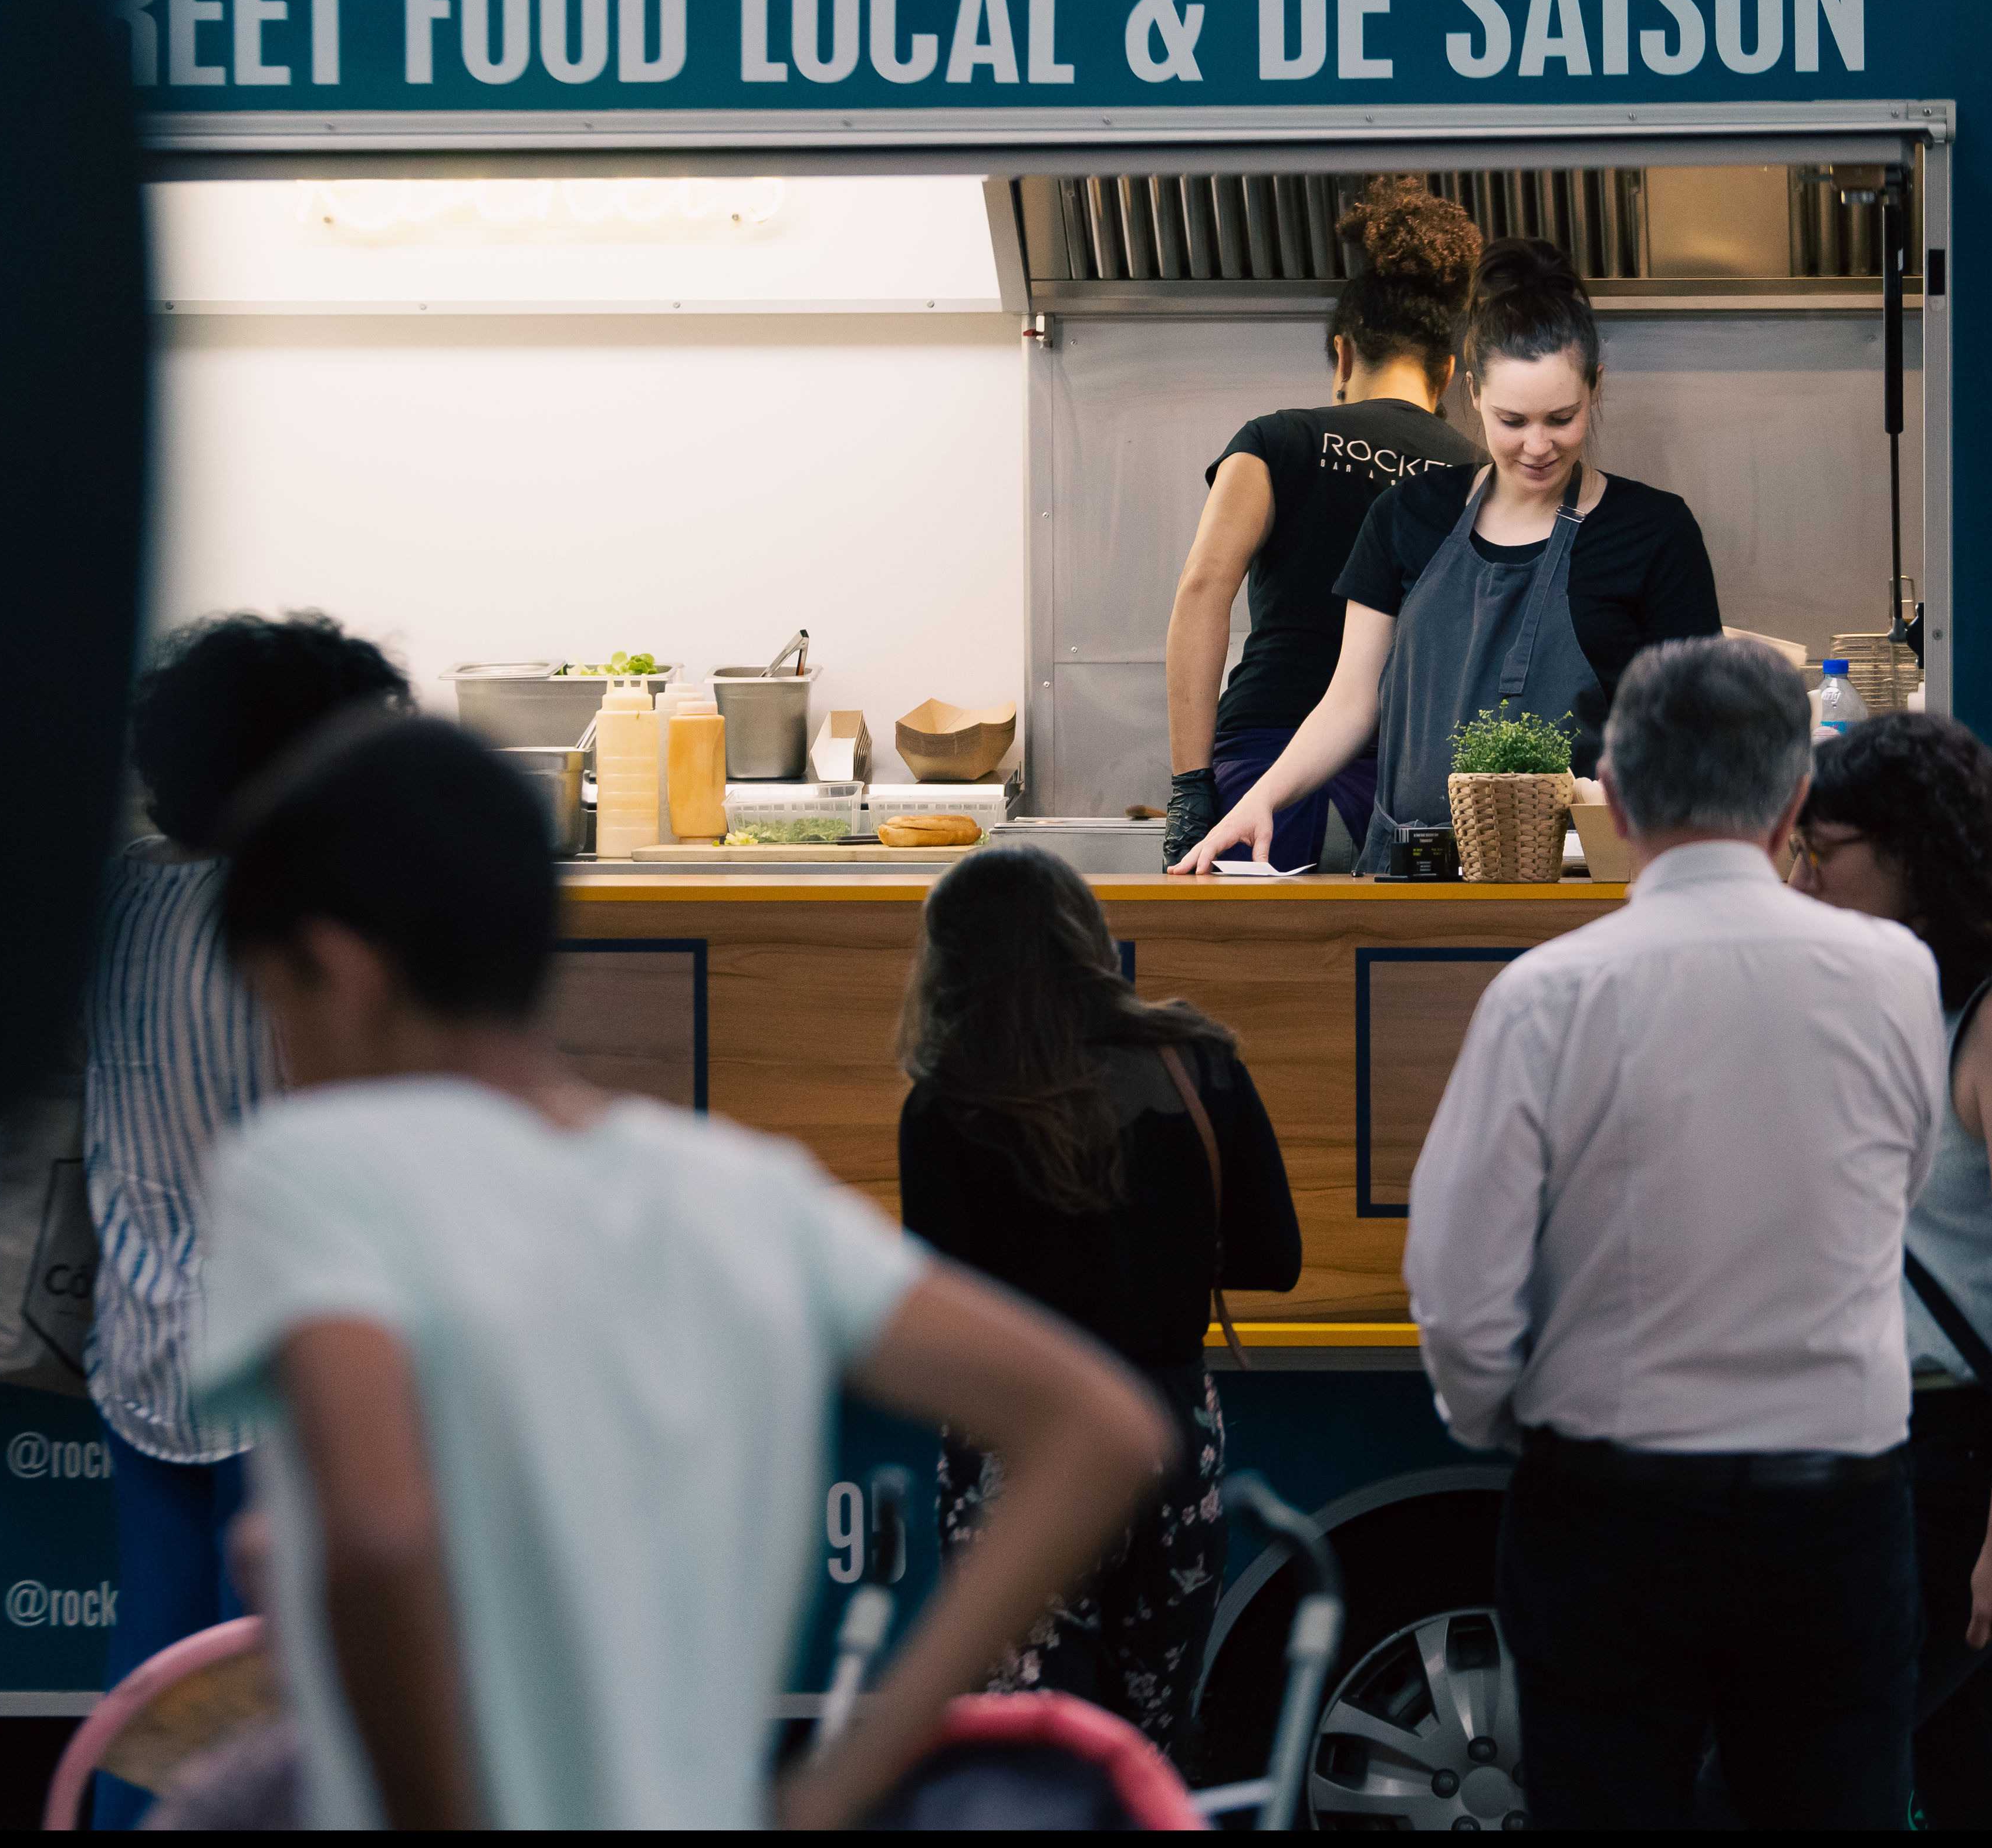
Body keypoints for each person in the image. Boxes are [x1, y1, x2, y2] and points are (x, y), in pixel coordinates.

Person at [195, 716, 1173, 1829]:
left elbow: (380, 1529)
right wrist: (839, 1784)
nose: (283, 1054)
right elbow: (1097, 1424)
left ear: (340, 970)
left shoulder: (314, 1167)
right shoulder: (746, 1191)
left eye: (275, 1006)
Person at [1404, 637, 1943, 1829]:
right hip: (1835, 1514)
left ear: (1616, 794)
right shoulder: (1896, 976)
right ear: (1794, 802)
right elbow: (1893, 1194)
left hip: (1607, 1516)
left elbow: (1455, 1286)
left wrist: (1506, 1418)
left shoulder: (1546, 995)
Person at [86, 612, 411, 1828]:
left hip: (144, 1339)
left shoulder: (116, 902)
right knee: (288, 1688)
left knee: (152, 1672)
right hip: (293, 1352)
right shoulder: (313, 927)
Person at [897, 846, 1303, 1758]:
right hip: (1169, 1439)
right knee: (1146, 1747)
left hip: (1021, 1448)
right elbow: (1274, 1257)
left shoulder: (948, 1100)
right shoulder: (1201, 1063)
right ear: (1085, 938)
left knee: (1031, 1754)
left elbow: (942, 1300)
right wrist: (1154, 1253)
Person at [1175, 237, 1721, 875]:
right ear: (1471, 393)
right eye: (1512, 420)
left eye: (1561, 418)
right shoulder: (1407, 517)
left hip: (1583, 879)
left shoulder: (1653, 531)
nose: (1538, 446)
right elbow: (1351, 701)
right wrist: (1261, 797)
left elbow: (1698, 727)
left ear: (1595, 389)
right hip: (1412, 878)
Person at [1796, 711, 1992, 1830]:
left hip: (1964, 1452)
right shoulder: (1908, 1001)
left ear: (1913, 851)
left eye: (1826, 850)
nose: (1809, 876)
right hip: (1894, 1444)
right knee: (1984, 1775)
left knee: (1777, 1772)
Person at [1160, 176, 1485, 870]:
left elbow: (1202, 592)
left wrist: (1191, 786)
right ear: (1449, 370)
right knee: (1390, 971)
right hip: (1413, 776)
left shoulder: (1275, 441)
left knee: (1267, 970)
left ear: (1343, 353)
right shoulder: (1483, 473)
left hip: (1265, 758)